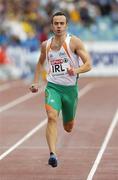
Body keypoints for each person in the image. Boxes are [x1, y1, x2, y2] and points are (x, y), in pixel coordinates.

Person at [30, 11, 92, 167]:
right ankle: (52, 154)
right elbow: (40, 63)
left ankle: (68, 120)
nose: (58, 26)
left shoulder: (74, 42)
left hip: (70, 90)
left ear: (66, 25)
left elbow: (88, 65)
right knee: (51, 117)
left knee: (68, 127)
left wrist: (75, 71)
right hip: (53, 87)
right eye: (56, 23)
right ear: (52, 26)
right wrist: (36, 82)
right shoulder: (46, 45)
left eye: (61, 23)